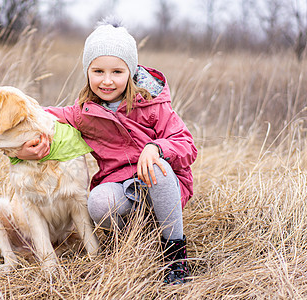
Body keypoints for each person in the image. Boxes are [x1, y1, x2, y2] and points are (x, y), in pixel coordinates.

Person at [15, 18, 197, 285]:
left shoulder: (153, 104)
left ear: (131, 71)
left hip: (164, 182)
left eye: (117, 72)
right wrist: (20, 150)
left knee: (158, 169)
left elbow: (187, 144)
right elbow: (38, 117)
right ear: (87, 72)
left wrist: (156, 147)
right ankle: (141, 236)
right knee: (97, 202)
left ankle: (175, 254)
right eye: (98, 71)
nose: (107, 81)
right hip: (122, 187)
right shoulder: (84, 113)